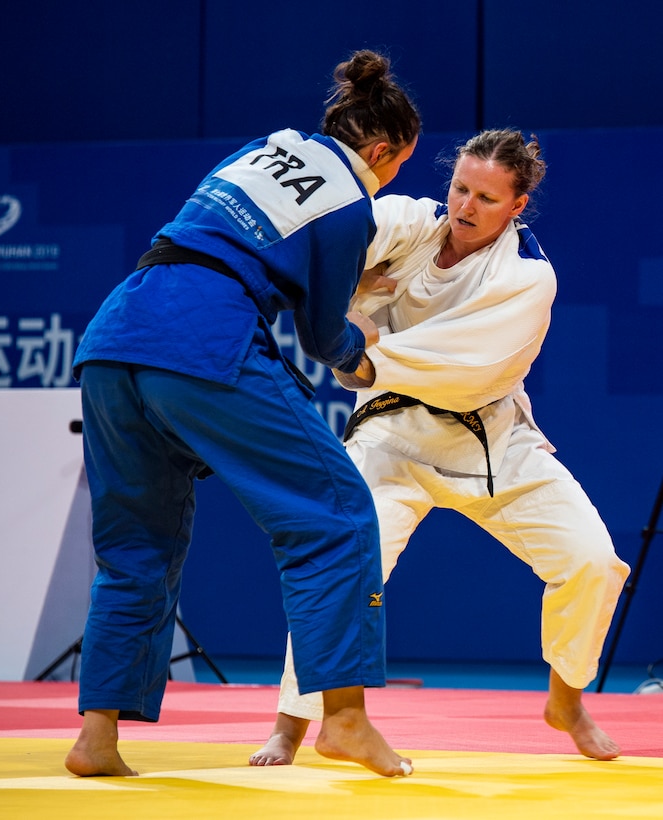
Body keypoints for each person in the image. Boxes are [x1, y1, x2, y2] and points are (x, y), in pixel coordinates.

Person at [64, 50, 422, 779]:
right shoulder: (351, 201)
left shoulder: (261, 151)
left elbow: (242, 247)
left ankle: (96, 737)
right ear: (380, 150)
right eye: (397, 167)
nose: (391, 181)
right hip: (200, 341)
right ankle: (345, 719)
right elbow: (323, 338)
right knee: (337, 512)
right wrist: (366, 354)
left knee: (135, 546)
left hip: (114, 334)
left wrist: (344, 274)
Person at [250, 128, 631, 768]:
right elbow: (339, 233)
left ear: (517, 205)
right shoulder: (410, 223)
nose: (464, 206)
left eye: (486, 197)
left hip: (492, 441)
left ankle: (567, 700)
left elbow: (464, 364)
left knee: (593, 561)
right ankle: (292, 722)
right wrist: (344, 280)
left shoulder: (527, 276)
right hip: (390, 438)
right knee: (347, 561)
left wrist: (358, 349)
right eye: (459, 187)